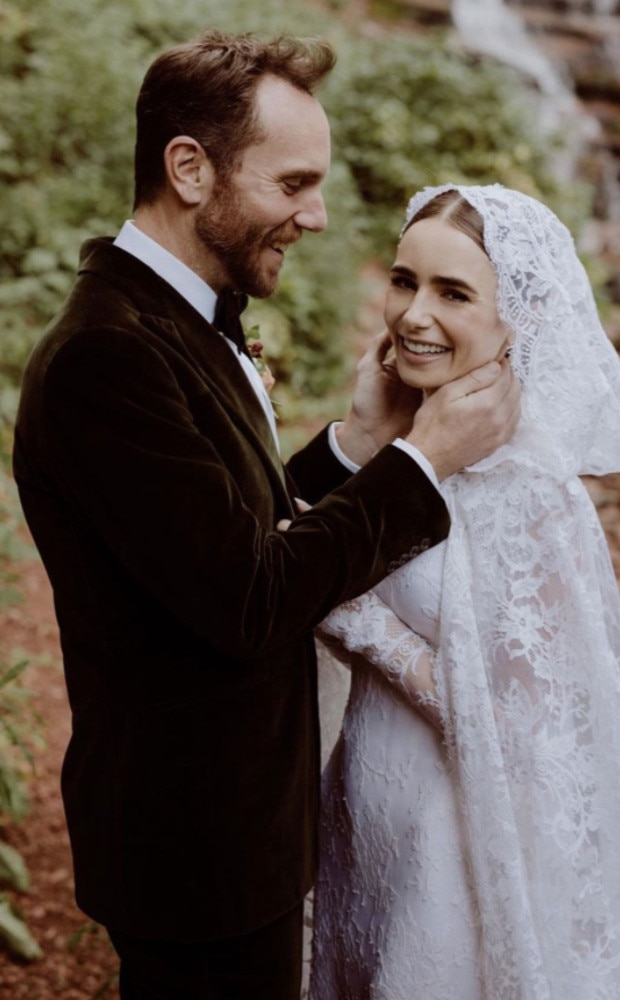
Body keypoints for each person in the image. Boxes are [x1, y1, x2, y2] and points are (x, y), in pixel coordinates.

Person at [11, 31, 521, 1000]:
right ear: (189, 168)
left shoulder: (170, 323)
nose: (316, 216)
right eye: (292, 183)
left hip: (235, 829)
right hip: (191, 841)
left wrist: (354, 450)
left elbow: (214, 536)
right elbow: (246, 596)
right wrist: (421, 464)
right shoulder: (105, 355)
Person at [308, 184, 620, 999]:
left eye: (453, 293)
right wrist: (363, 443)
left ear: (514, 322)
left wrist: (343, 612)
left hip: (453, 846)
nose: (414, 315)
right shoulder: (409, 445)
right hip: (372, 807)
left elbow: (521, 723)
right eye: (405, 280)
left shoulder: (530, 488)